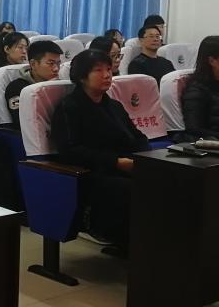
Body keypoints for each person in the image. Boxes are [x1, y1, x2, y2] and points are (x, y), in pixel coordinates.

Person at [50, 49, 150, 252]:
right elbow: (71, 151)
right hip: (92, 172)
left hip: (125, 165)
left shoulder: (114, 106)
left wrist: (145, 156)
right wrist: (116, 162)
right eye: (98, 70)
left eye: (109, 69)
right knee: (133, 190)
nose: (107, 75)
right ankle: (132, 244)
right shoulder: (69, 107)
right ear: (82, 77)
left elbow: (137, 137)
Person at [5, 41, 63, 129]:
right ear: (33, 64)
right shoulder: (17, 88)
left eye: (58, 63)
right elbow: (23, 122)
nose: (56, 69)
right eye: (50, 63)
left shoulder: (61, 85)